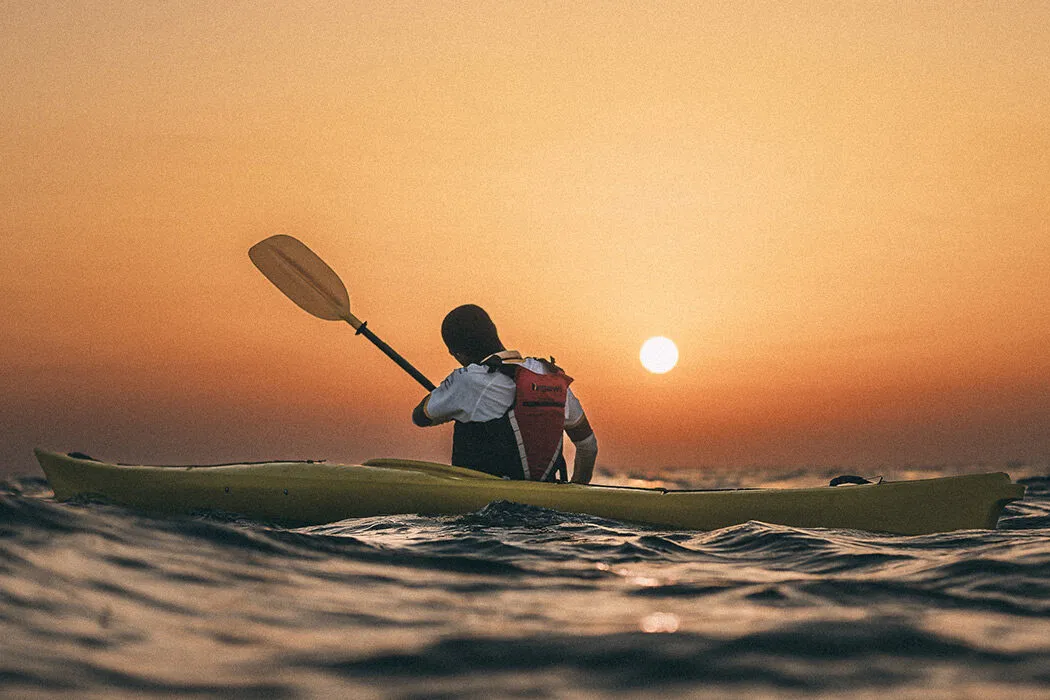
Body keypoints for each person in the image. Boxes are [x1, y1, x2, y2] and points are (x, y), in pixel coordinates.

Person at [412, 304, 598, 483]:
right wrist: (577, 488)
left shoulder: (467, 380)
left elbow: (421, 417)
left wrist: (450, 398)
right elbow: (588, 445)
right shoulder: (549, 375)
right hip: (547, 505)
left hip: (486, 505)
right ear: (494, 331)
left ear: (457, 354)